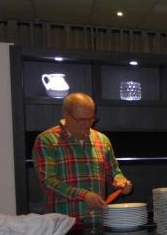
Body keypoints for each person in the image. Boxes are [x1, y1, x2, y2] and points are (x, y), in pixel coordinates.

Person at [32, 92, 132, 225]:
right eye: (82, 120)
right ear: (65, 114)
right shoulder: (47, 140)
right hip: (63, 226)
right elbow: (48, 182)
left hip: (99, 223)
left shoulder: (102, 140)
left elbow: (114, 172)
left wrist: (121, 182)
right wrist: (83, 195)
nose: (87, 124)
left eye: (91, 119)